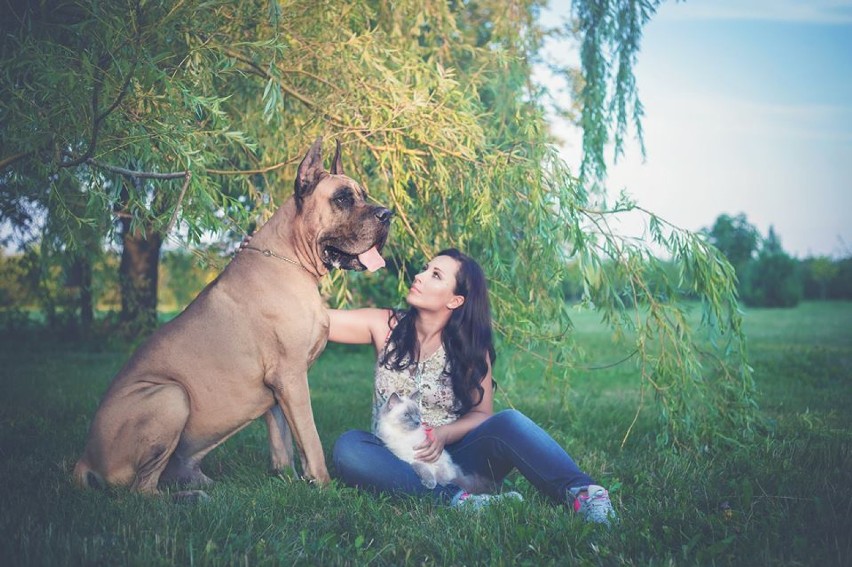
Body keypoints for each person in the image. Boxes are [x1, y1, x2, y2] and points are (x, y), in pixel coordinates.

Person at [327, 248, 616, 525]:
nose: (420, 276)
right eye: (426, 269)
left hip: (455, 460)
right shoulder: (384, 325)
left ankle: (584, 493)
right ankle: (460, 501)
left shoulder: (471, 348)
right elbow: (318, 320)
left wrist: (442, 434)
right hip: (395, 457)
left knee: (509, 421)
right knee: (349, 448)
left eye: (436, 275)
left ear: (455, 301)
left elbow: (481, 415)